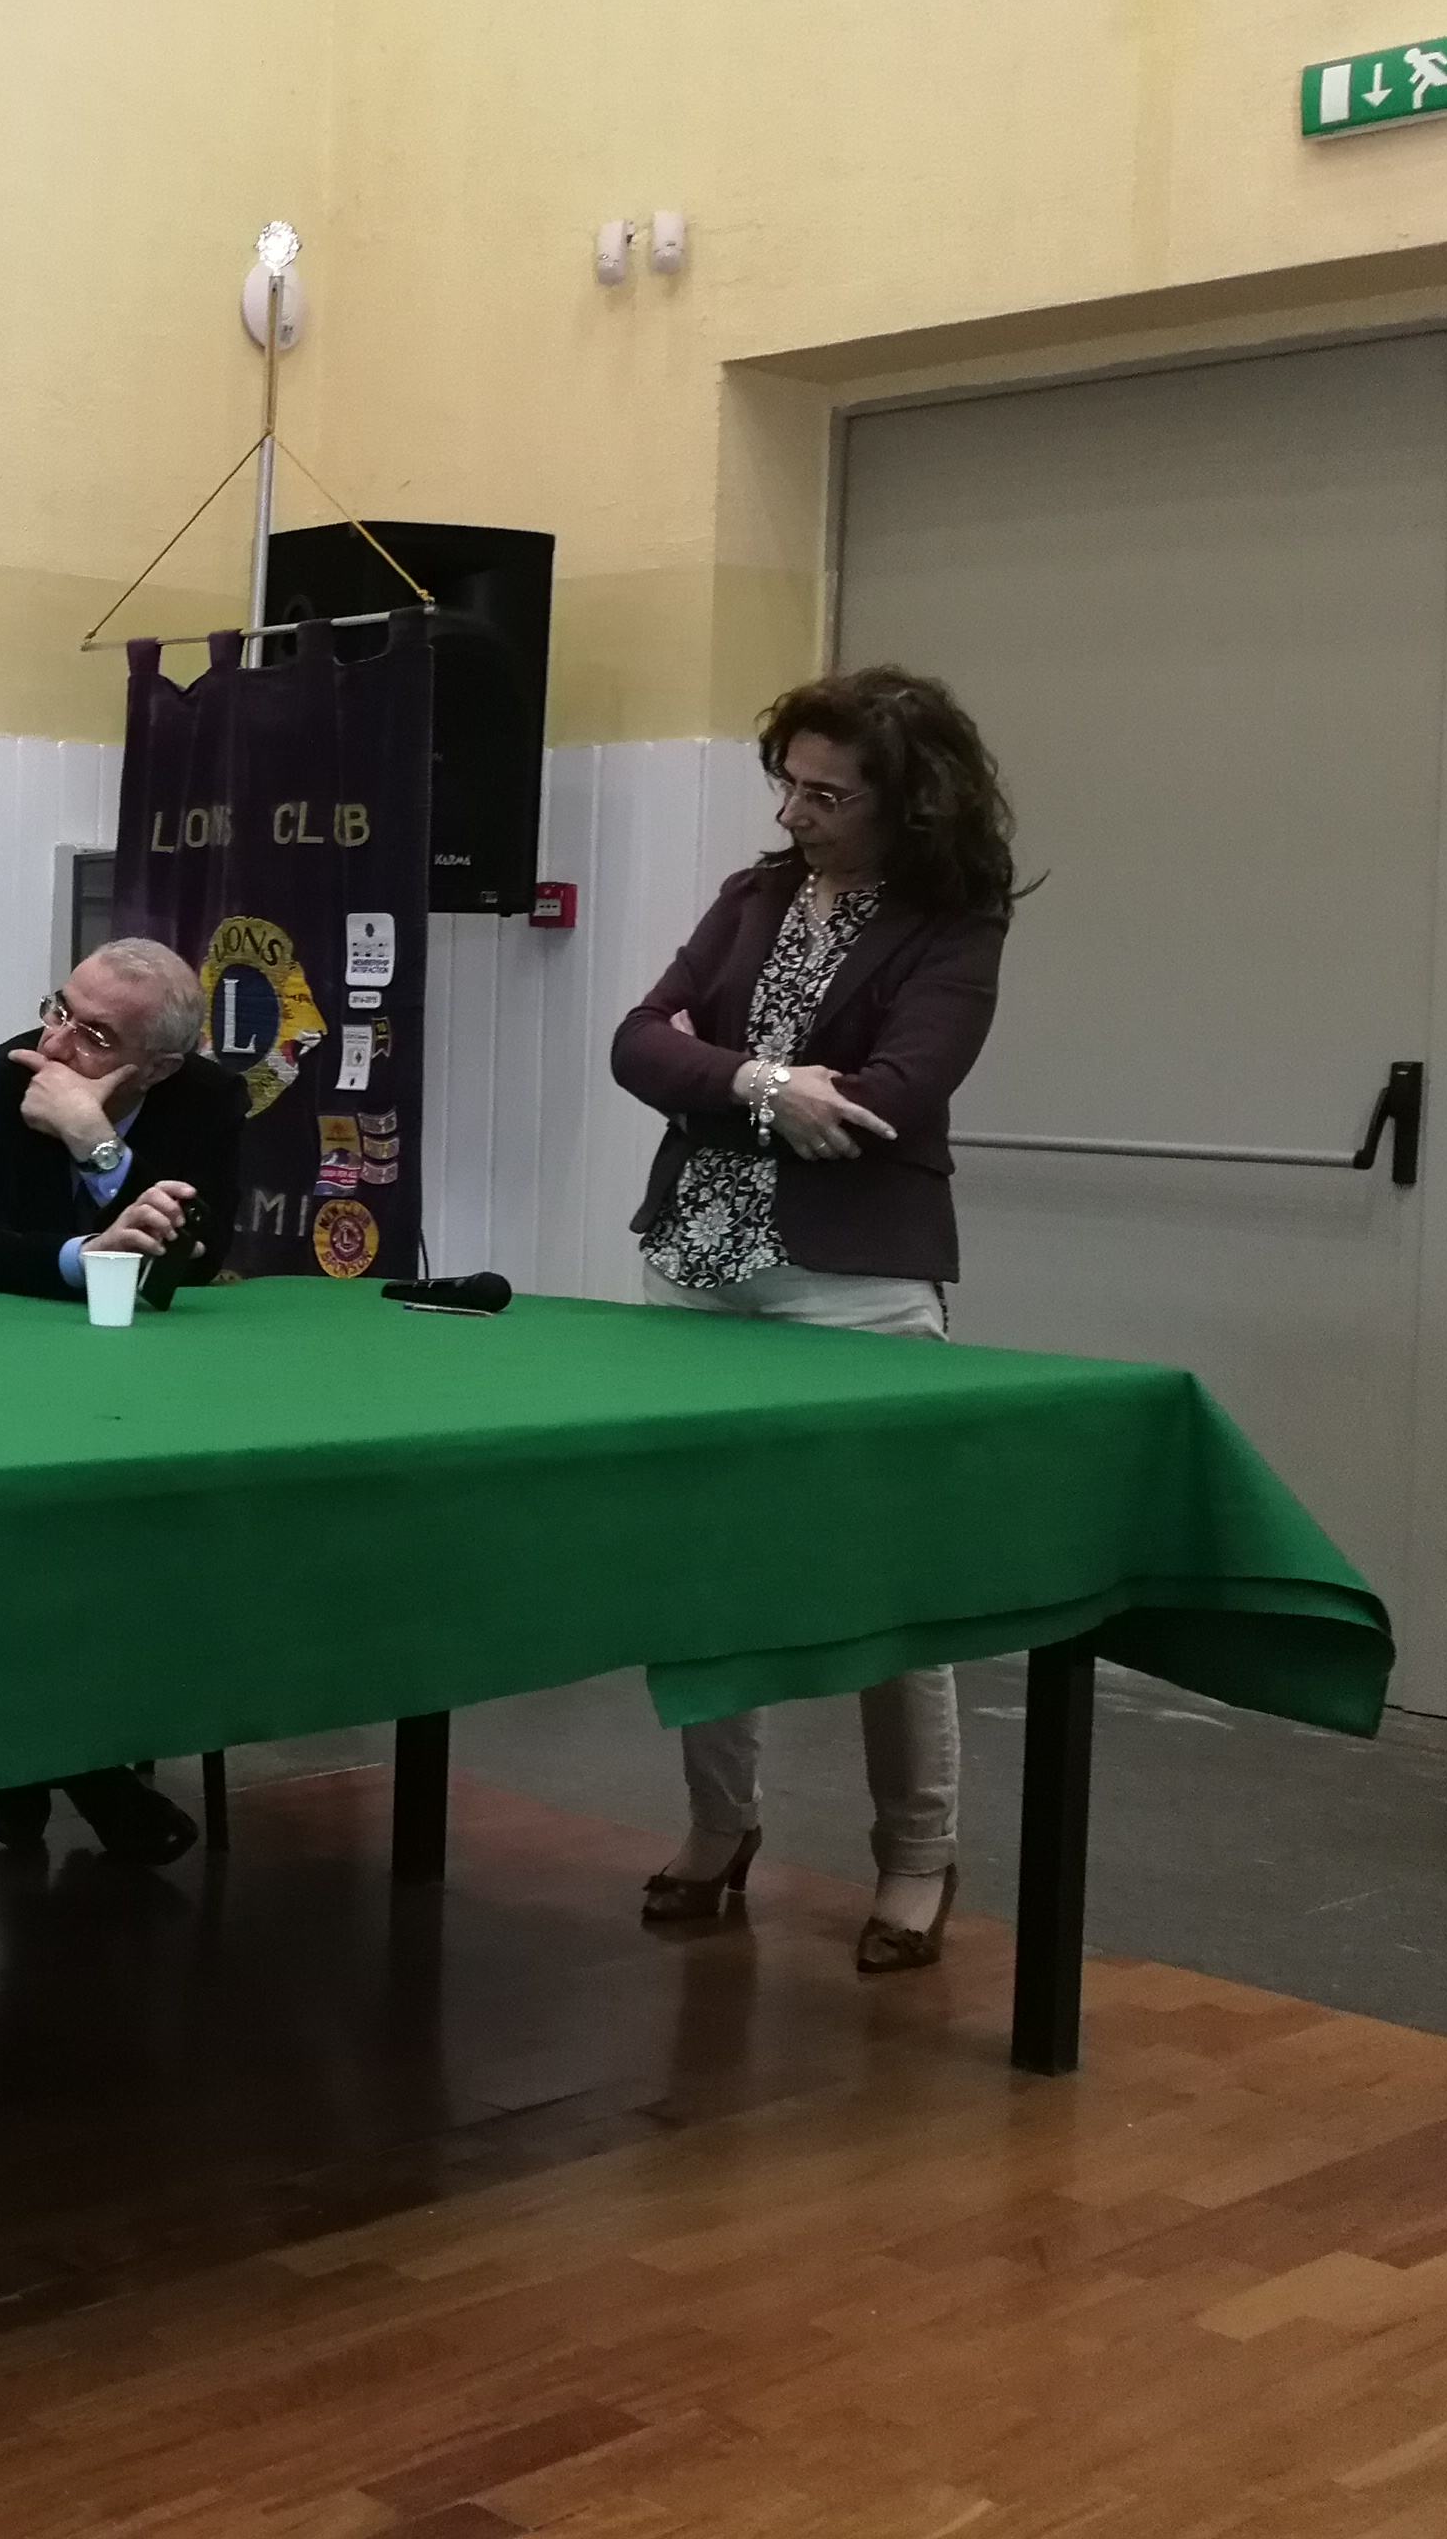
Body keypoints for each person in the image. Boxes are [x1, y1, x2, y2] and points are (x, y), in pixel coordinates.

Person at [609, 666, 1018, 1975]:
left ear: (908, 801)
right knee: (700, 1564)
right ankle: (718, 1825)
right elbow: (634, 1042)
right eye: (787, 783)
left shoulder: (953, 923)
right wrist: (765, 1083)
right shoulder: (753, 896)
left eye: (827, 795)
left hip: (853, 1280)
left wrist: (714, 1076)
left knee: (885, 1582)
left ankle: (915, 1857)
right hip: (697, 1261)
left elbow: (892, 1098)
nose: (793, 813)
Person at [0, 936, 236, 1865]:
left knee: (142, 1551)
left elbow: (196, 1257)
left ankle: (45, 1754)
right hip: (0, 1387)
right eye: (58, 1009)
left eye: (95, 1036)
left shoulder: (207, 1098)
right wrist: (86, 1257)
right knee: (31, 1552)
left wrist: (94, 1143)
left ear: (161, 1065)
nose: (55, 1046)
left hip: (142, 1390)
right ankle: (83, 1770)